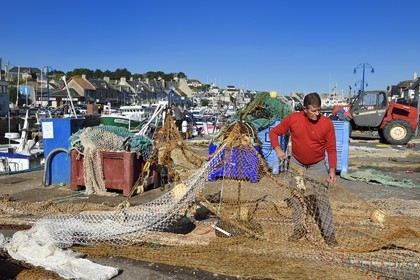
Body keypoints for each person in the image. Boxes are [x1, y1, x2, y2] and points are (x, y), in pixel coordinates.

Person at [269, 92, 338, 246]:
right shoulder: (294, 119)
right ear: (305, 109)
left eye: (319, 110)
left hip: (318, 166)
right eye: (313, 111)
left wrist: (332, 171)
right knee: (296, 197)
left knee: (323, 200)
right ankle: (299, 228)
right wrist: (278, 149)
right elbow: (274, 132)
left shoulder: (327, 123)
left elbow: (331, 149)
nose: (317, 114)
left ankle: (329, 234)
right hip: (297, 165)